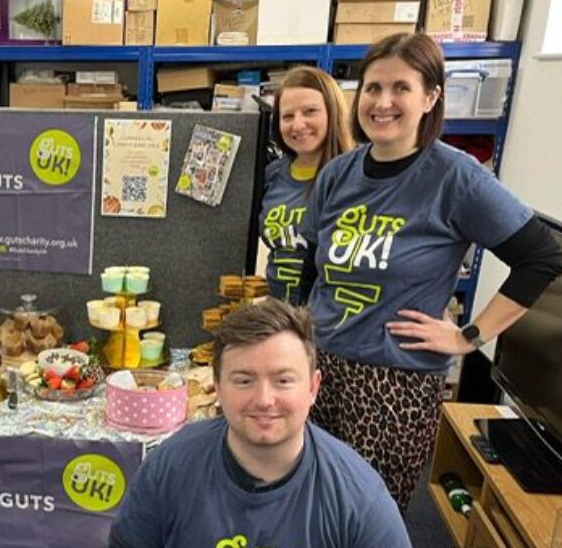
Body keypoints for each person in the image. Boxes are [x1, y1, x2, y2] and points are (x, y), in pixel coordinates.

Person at [298, 33, 562, 512]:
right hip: (319, 370)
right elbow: (310, 259)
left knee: (366, 516)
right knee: (309, 502)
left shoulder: (455, 178)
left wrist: (468, 337)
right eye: (373, 88)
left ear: (431, 96)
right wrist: (297, 334)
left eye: (400, 88)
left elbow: (541, 256)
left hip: (393, 383)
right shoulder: (338, 173)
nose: (382, 102)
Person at [109, 299, 411, 548]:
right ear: (217, 387)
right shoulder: (169, 467)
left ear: (313, 388)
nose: (265, 399)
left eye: (283, 380)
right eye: (244, 380)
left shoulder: (359, 499)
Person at [260, 66, 354, 303]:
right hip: (279, 317)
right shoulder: (272, 175)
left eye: (310, 111)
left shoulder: (354, 176)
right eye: (288, 116)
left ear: (332, 113)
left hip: (330, 321)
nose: (298, 124)